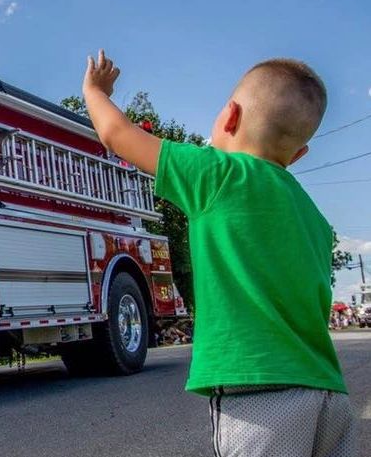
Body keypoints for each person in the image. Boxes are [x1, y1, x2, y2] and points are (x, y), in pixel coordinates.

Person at [82, 50, 356, 457]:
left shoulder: (216, 175)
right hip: (329, 395)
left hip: (259, 397)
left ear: (228, 117)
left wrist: (94, 90)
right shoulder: (314, 219)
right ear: (298, 156)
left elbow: (116, 134)